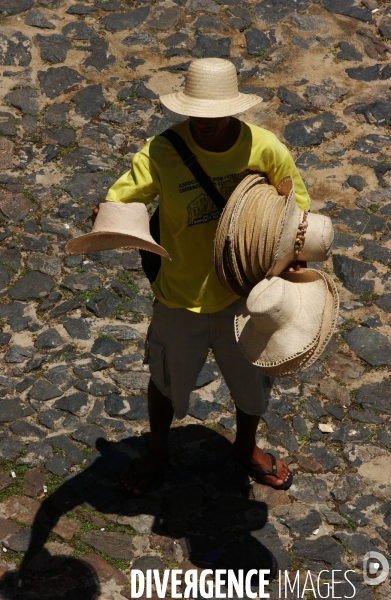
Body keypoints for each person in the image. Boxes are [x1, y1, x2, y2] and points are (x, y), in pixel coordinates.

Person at [93, 58, 311, 495]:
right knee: (164, 382)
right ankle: (158, 452)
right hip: (178, 295)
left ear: (233, 108)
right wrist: (106, 216)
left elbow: (297, 212)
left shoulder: (265, 149)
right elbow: (122, 198)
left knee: (252, 386)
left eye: (215, 113)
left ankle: (245, 447)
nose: (205, 122)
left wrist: (292, 258)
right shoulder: (161, 152)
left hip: (245, 295)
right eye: (197, 113)